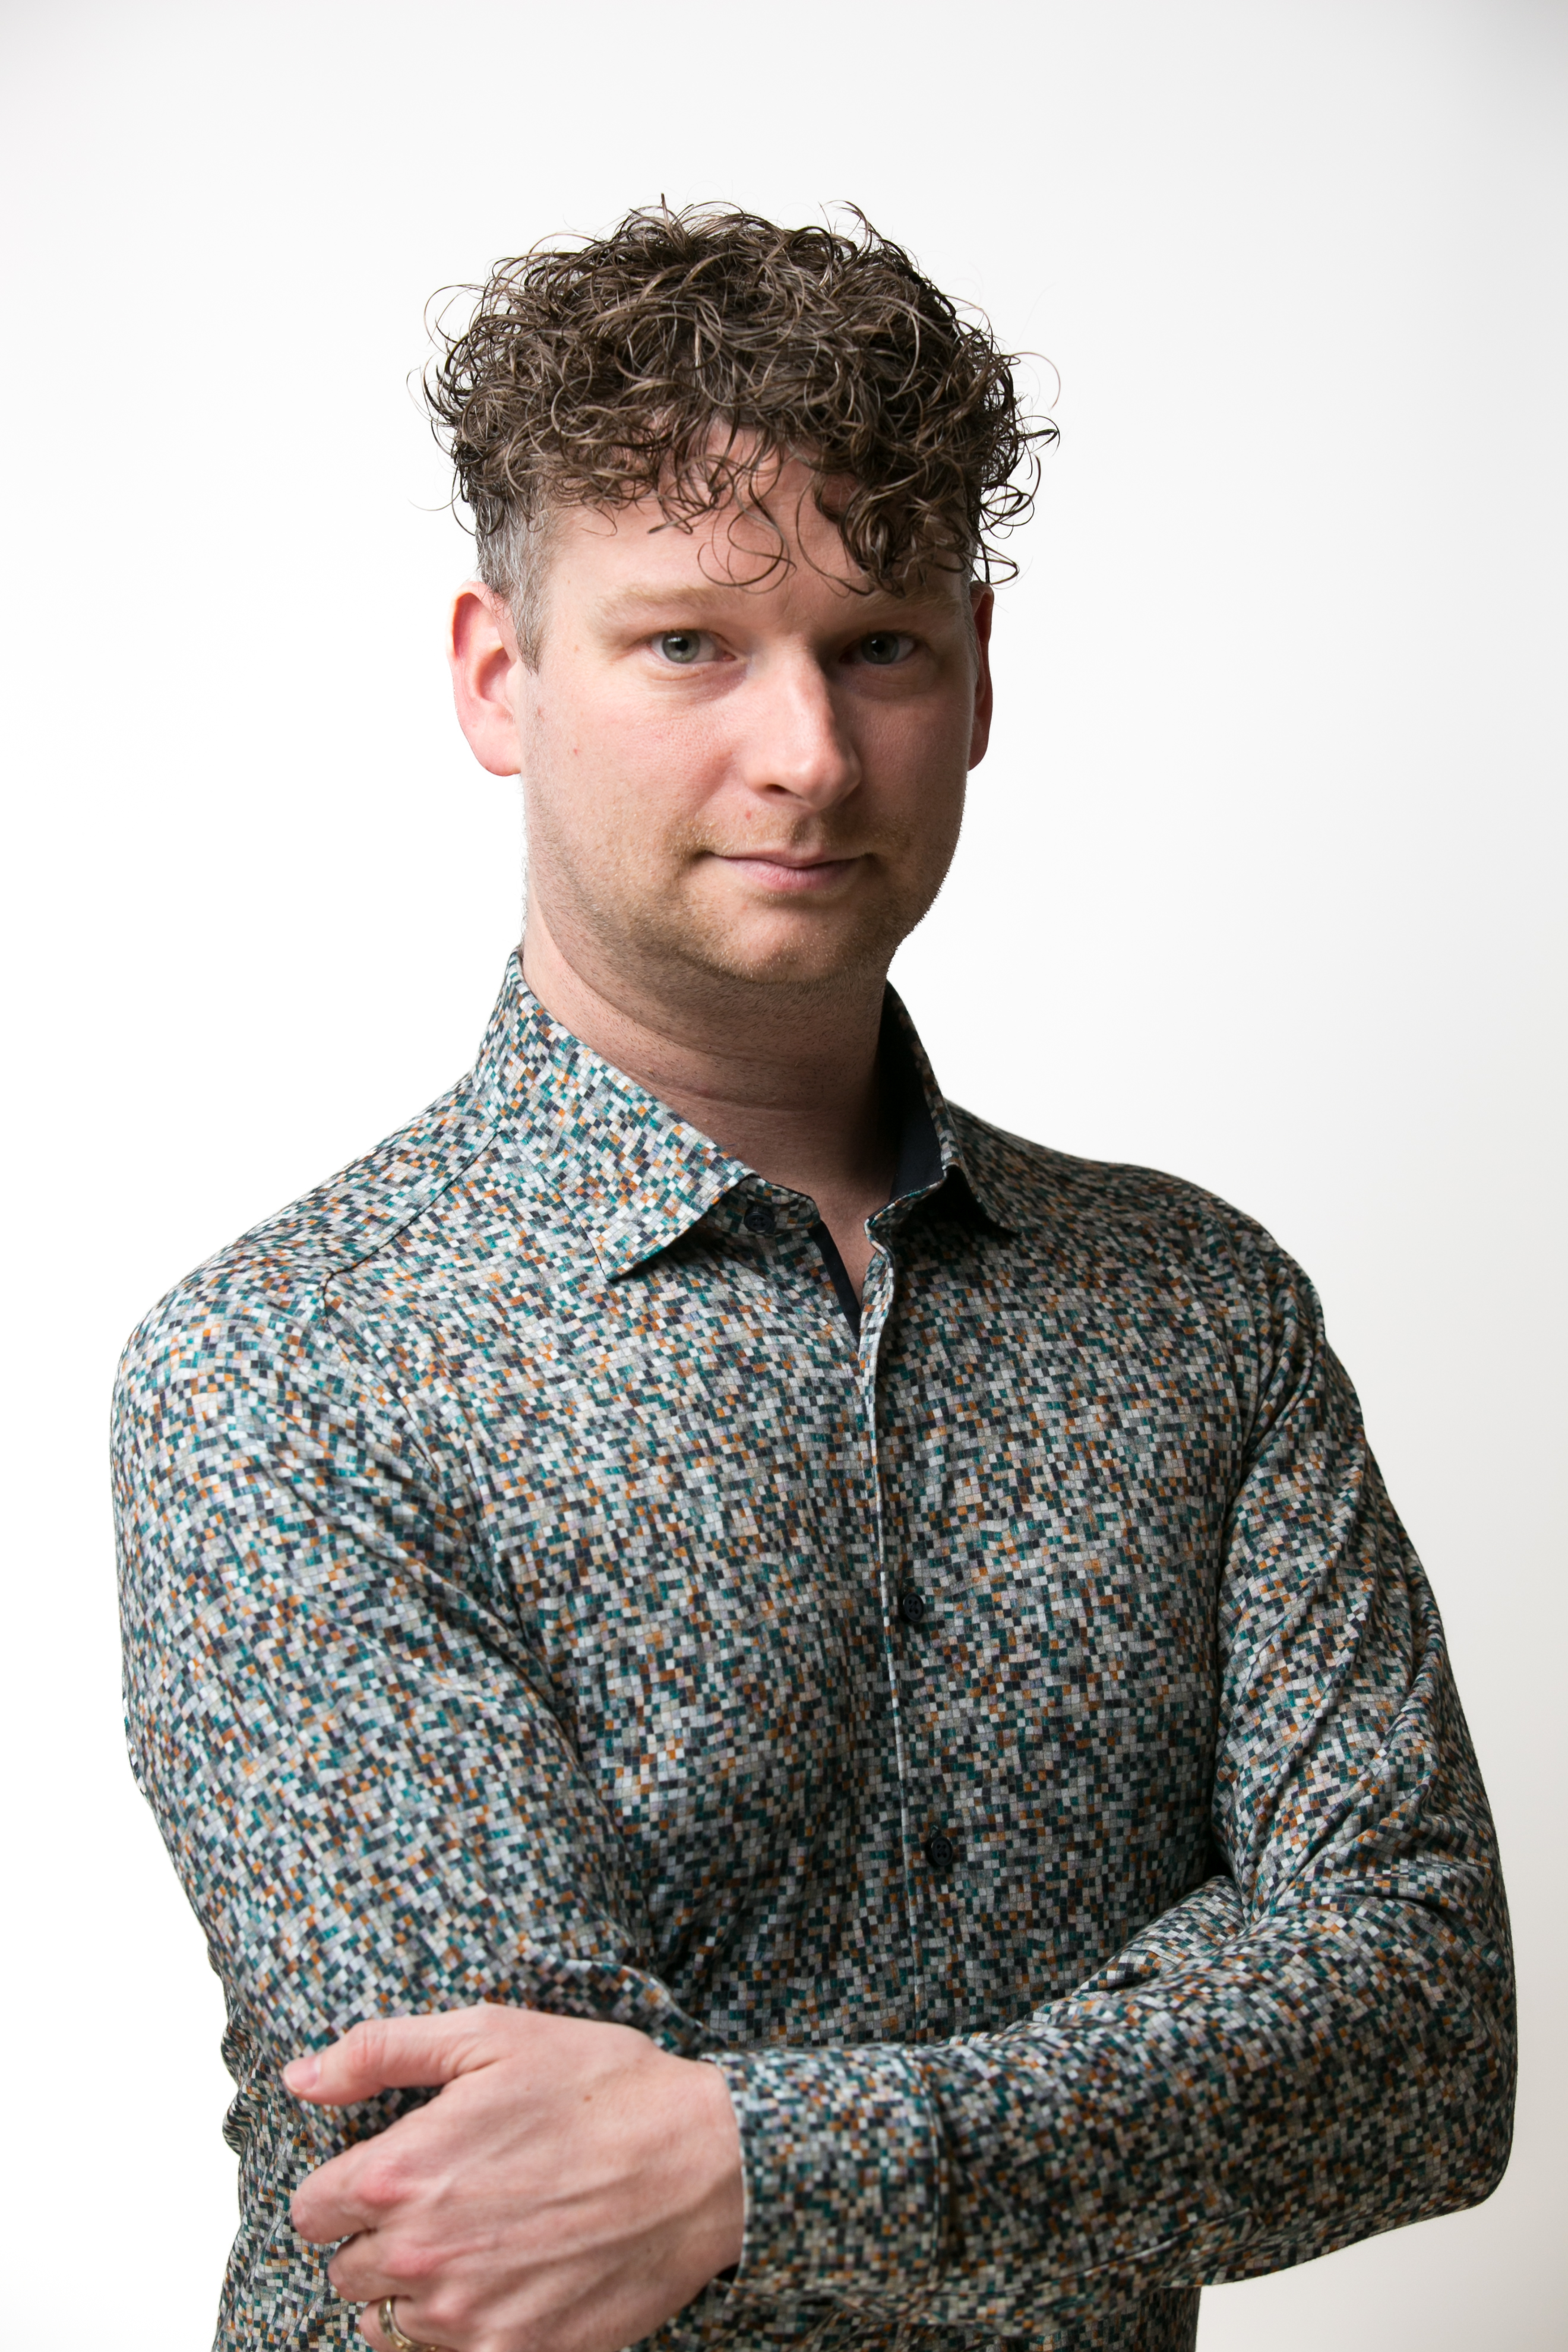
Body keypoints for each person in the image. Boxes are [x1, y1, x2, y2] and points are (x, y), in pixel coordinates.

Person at [113, 206, 1514, 2352]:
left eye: (877, 646)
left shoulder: (1201, 1310)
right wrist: (1159, 2062)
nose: (808, 755)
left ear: (976, 676)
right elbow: (511, 2224)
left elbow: (1422, 2039)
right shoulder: (283, 1374)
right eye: (688, 645)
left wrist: (737, 2162)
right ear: (501, 678)